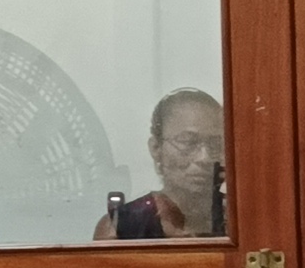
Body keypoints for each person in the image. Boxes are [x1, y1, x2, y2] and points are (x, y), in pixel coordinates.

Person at [97, 88, 226, 240]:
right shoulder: (121, 228)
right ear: (156, 148)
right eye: (187, 141)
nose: (204, 158)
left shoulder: (237, 220)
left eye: (215, 144)